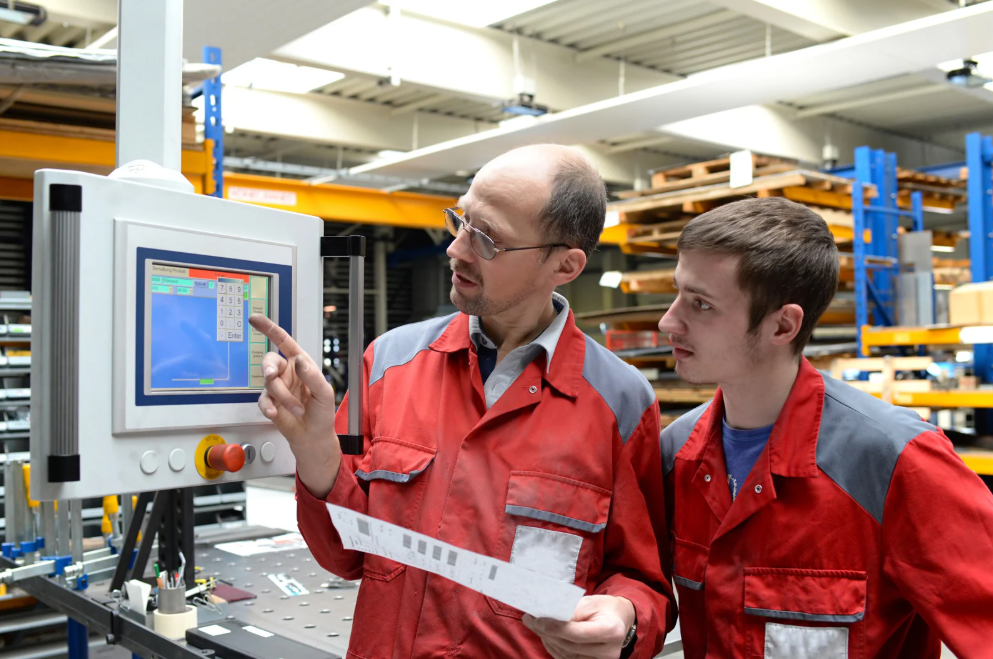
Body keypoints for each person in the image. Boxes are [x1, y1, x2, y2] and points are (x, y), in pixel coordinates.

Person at [249, 144, 675, 659]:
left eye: (488, 239)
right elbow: (346, 557)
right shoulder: (390, 361)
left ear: (565, 265)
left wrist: (625, 617)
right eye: (461, 220)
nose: (456, 249)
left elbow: (641, 579)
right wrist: (316, 448)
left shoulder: (621, 402)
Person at [657, 197, 993, 658]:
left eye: (701, 304)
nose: (668, 321)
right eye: (677, 293)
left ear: (782, 326)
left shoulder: (895, 462)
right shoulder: (677, 455)